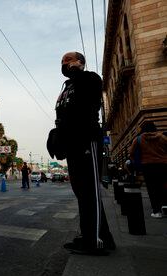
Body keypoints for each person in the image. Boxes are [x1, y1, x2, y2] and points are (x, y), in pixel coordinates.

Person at [55, 52, 115, 255]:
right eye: (62, 61)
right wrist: (57, 136)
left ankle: (94, 241)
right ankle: (97, 236)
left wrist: (76, 72)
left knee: (89, 192)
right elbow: (63, 116)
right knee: (82, 193)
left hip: (87, 139)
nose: (64, 63)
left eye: (69, 59)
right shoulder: (66, 88)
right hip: (72, 143)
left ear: (80, 62)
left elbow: (87, 105)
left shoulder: (90, 78)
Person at [129, 121, 167, 218]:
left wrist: (138, 163)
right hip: (163, 165)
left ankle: (156, 211)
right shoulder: (162, 137)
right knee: (163, 185)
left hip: (147, 166)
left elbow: (131, 153)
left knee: (151, 188)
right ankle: (165, 206)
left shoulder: (138, 139)